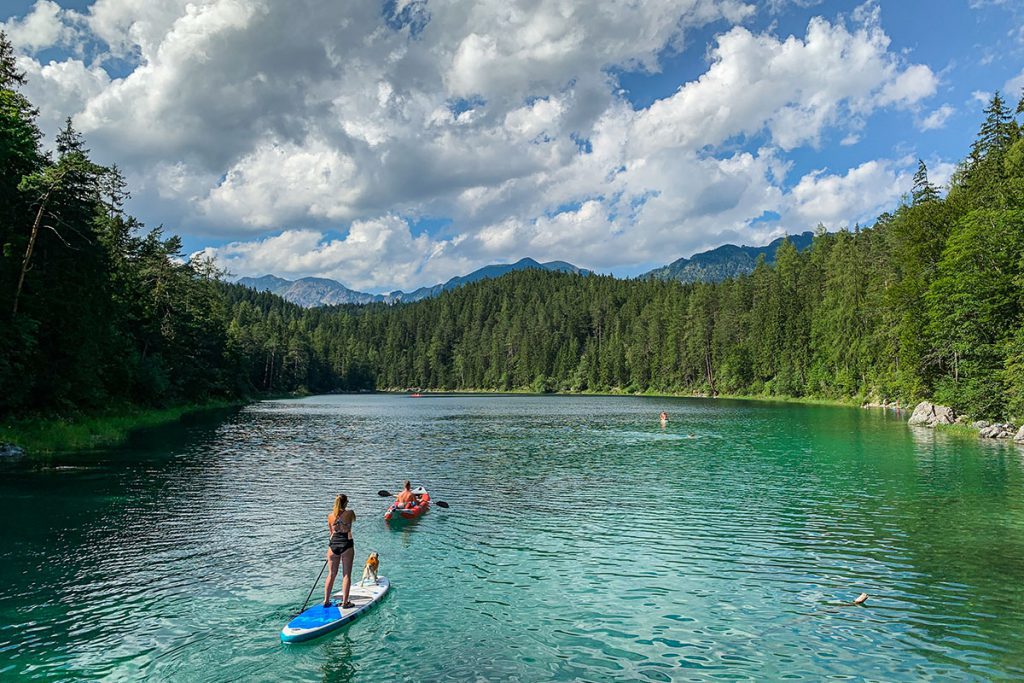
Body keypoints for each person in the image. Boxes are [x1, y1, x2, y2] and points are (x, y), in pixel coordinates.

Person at [324, 493, 356, 609]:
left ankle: (326, 601)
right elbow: (350, 525)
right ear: (346, 502)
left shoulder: (330, 516)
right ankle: (345, 602)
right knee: (346, 575)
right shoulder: (350, 513)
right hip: (346, 544)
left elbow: (331, 533)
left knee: (331, 574)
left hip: (333, 546)